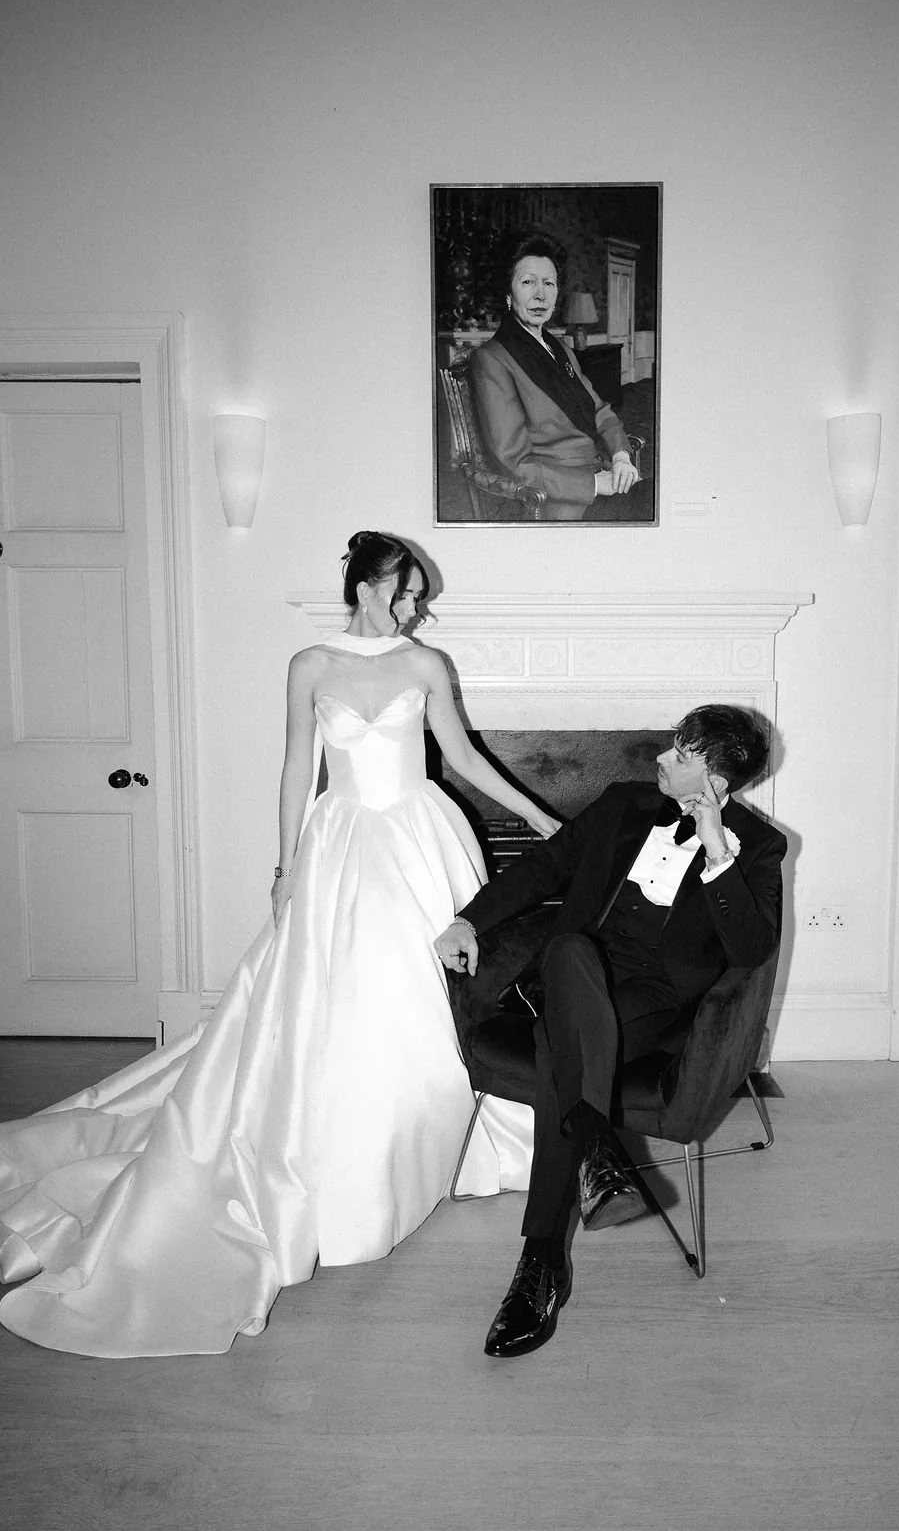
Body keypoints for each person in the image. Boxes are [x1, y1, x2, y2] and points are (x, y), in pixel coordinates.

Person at [0, 531, 557, 1357]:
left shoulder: (424, 664)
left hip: (417, 839)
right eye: (406, 592)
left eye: (418, 595)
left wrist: (542, 818)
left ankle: (423, 1143)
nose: (416, 608)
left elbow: (463, 756)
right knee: (337, 1002)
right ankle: (347, 1160)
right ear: (367, 587)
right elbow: (299, 767)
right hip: (340, 845)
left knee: (431, 999)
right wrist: (286, 866)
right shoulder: (310, 665)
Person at [435, 705, 786, 1359]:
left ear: (716, 781)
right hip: (578, 972)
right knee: (570, 953)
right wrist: (468, 921)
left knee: (560, 1050)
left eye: (681, 755)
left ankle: (543, 1260)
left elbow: (749, 950)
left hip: (655, 1003)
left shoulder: (758, 846)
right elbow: (545, 868)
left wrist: (716, 848)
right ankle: (588, 1171)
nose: (661, 758)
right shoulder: (624, 803)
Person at [468, 232, 650, 522]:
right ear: (507, 295)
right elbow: (513, 463)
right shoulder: (491, 359)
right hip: (559, 500)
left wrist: (620, 456)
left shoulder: (560, 348)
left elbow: (599, 410)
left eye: (549, 283)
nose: (540, 294)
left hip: (601, 473)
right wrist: (593, 485)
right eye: (528, 282)